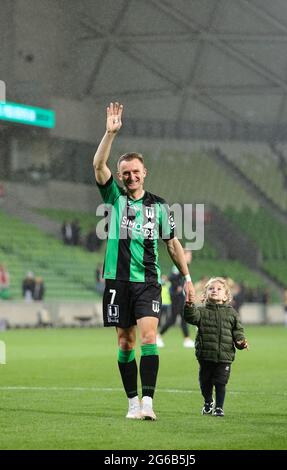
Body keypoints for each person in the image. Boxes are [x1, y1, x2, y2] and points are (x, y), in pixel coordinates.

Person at [93, 102, 195, 420]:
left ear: (144, 173)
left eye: (136, 171)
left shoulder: (161, 207)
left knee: (149, 337)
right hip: (117, 281)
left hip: (148, 281)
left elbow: (173, 244)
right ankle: (132, 402)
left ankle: (148, 403)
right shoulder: (115, 198)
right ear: (121, 176)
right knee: (125, 343)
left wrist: (188, 277)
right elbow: (98, 165)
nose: (131, 176)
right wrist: (110, 134)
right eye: (126, 173)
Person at [184, 277, 248, 417]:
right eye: (211, 289)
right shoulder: (201, 311)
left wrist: (241, 342)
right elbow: (191, 318)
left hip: (224, 356)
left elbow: (238, 331)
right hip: (205, 355)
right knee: (205, 383)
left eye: (219, 289)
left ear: (225, 296)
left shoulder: (231, 313)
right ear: (205, 293)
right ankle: (208, 401)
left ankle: (219, 407)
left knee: (220, 383)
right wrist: (189, 305)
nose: (215, 291)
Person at [156, 253, 194, 348]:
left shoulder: (184, 266)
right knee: (177, 318)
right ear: (183, 255)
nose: (190, 257)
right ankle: (186, 339)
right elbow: (171, 277)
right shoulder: (179, 265)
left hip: (180, 296)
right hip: (176, 297)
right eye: (188, 255)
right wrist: (178, 286)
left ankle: (186, 339)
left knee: (175, 319)